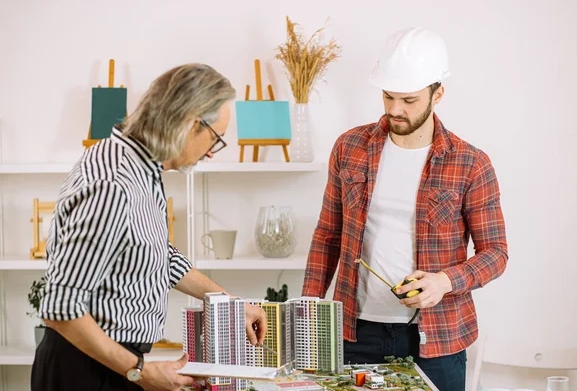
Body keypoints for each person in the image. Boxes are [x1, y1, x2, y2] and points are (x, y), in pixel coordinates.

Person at [31, 63, 267, 391]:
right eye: (215, 139)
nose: (212, 153)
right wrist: (140, 371)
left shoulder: (142, 168)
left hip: (112, 363)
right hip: (87, 369)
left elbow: (160, 256)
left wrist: (230, 304)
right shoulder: (114, 182)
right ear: (190, 124)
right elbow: (59, 307)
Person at [302, 27, 508, 390]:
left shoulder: (470, 163)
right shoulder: (349, 147)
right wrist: (308, 309)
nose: (396, 110)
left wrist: (444, 281)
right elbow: (327, 234)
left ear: (437, 93)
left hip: (437, 339)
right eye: (388, 96)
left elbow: (496, 253)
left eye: (409, 100)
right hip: (354, 333)